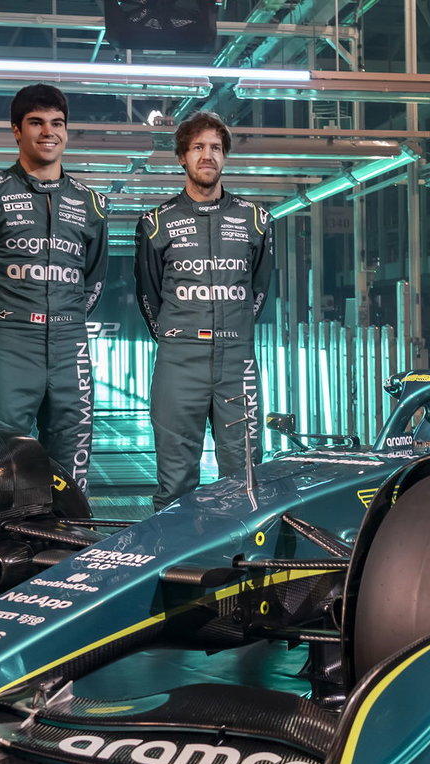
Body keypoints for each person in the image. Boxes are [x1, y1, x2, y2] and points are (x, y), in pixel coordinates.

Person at [0, 84, 109, 491]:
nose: (48, 132)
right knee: (2, 465)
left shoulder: (92, 204)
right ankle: (5, 532)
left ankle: (64, 530)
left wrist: (66, 322)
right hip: (9, 343)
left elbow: (93, 281)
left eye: (57, 123)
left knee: (71, 464)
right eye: (36, 122)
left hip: (71, 347)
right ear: (16, 130)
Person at [135, 112, 275, 509]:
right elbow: (149, 295)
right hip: (179, 362)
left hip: (237, 362)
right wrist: (178, 336)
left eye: (215, 147)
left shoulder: (256, 220)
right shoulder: (155, 223)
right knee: (175, 483)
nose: (207, 155)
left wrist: (234, 333)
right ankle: (175, 550)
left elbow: (259, 290)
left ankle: (240, 550)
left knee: (245, 479)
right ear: (182, 157)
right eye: (198, 147)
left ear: (225, 156)